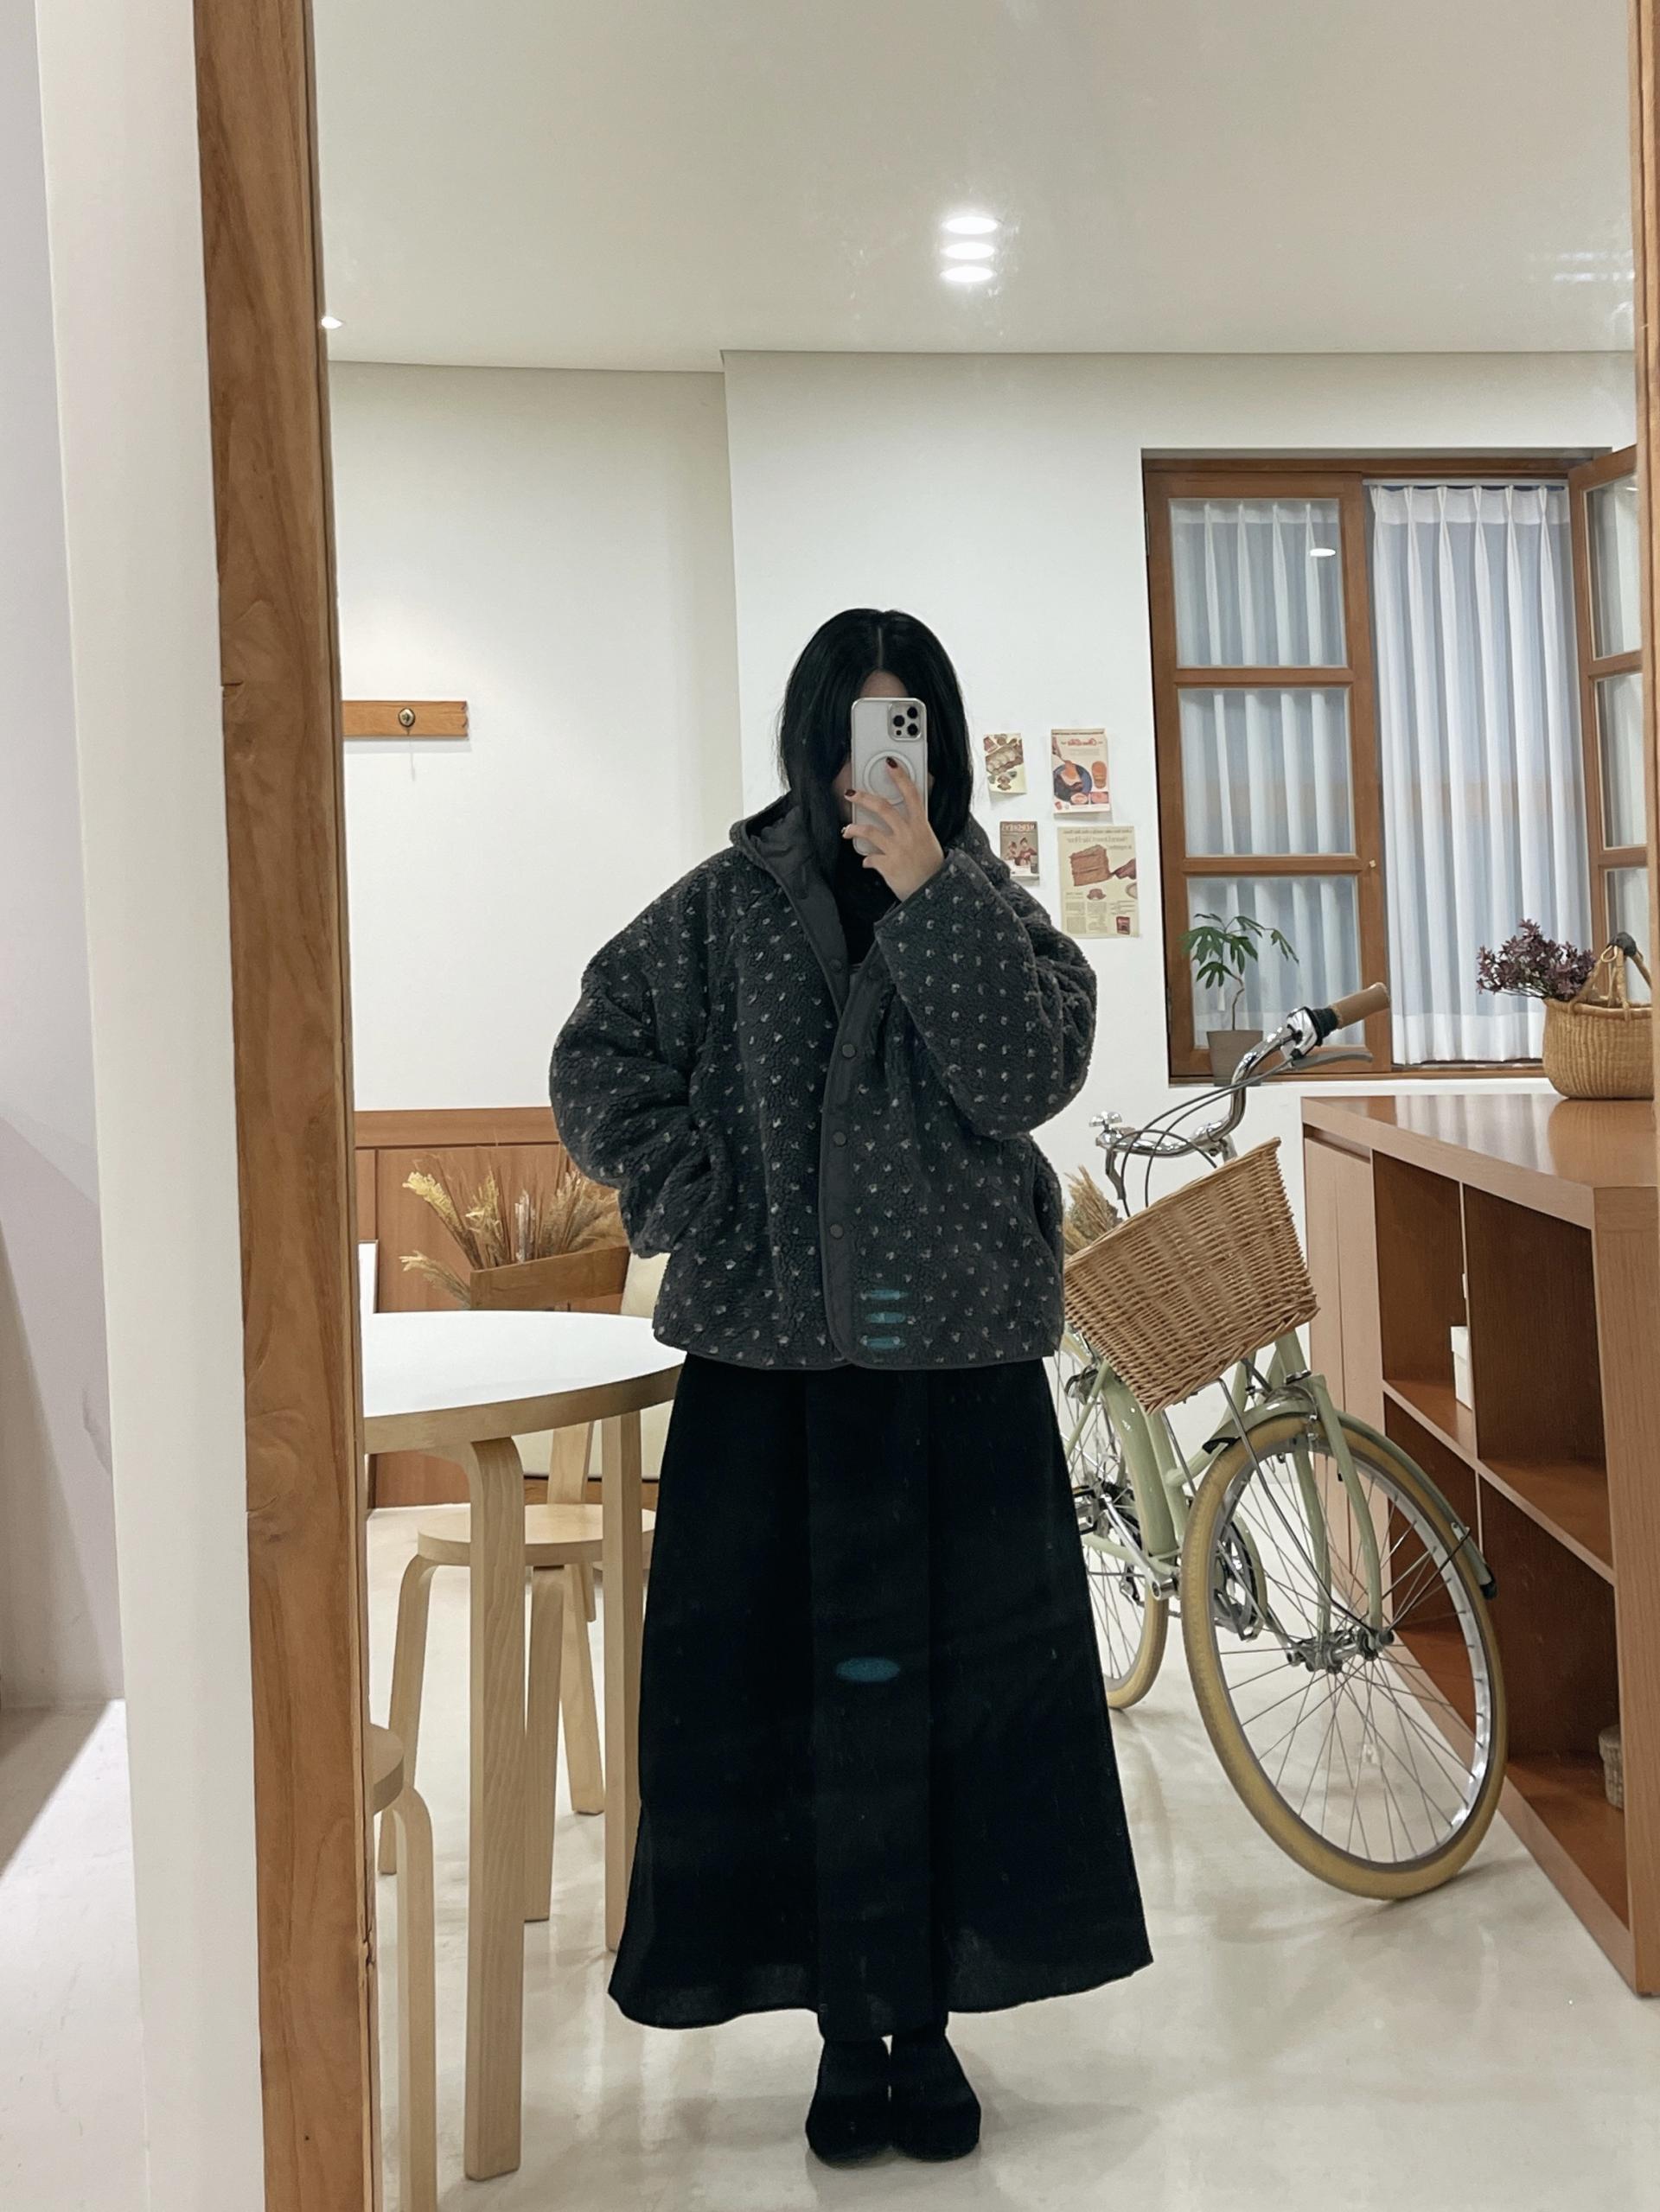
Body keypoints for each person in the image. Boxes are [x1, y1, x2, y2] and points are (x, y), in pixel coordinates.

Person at [551, 608, 1149, 2168]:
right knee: (798, 1716)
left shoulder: (990, 905)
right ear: (809, 744)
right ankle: (839, 2026)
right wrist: (694, 1195)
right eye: (851, 731)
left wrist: (934, 888)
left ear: (936, 749)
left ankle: (928, 2023)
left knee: (961, 1711)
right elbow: (597, 1055)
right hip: (775, 1375)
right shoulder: (721, 908)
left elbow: (1025, 1079)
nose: (872, 764)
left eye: (906, 729)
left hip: (958, 1373)